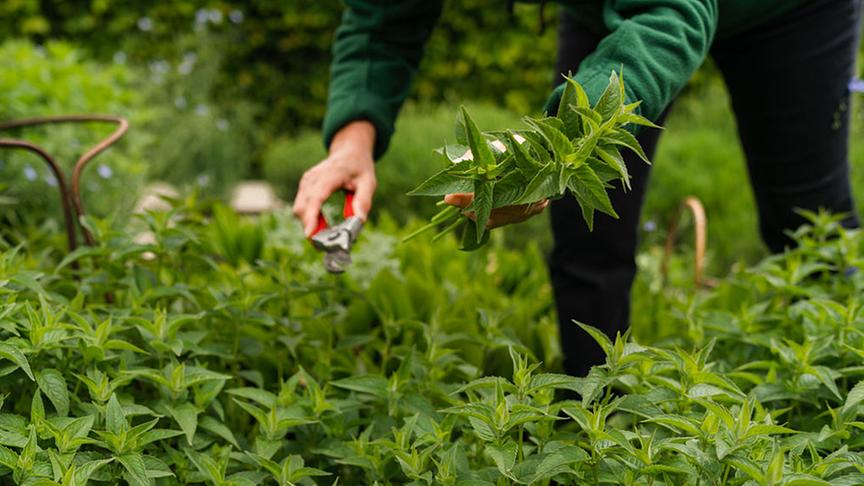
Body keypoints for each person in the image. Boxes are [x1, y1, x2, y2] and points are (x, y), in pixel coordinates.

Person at [293, 0, 863, 377]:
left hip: (788, 12)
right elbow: (385, 18)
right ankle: (596, 428)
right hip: (615, 8)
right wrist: (352, 139)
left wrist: (553, 148)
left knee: (809, 224)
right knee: (588, 231)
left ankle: (839, 408)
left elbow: (673, 14)